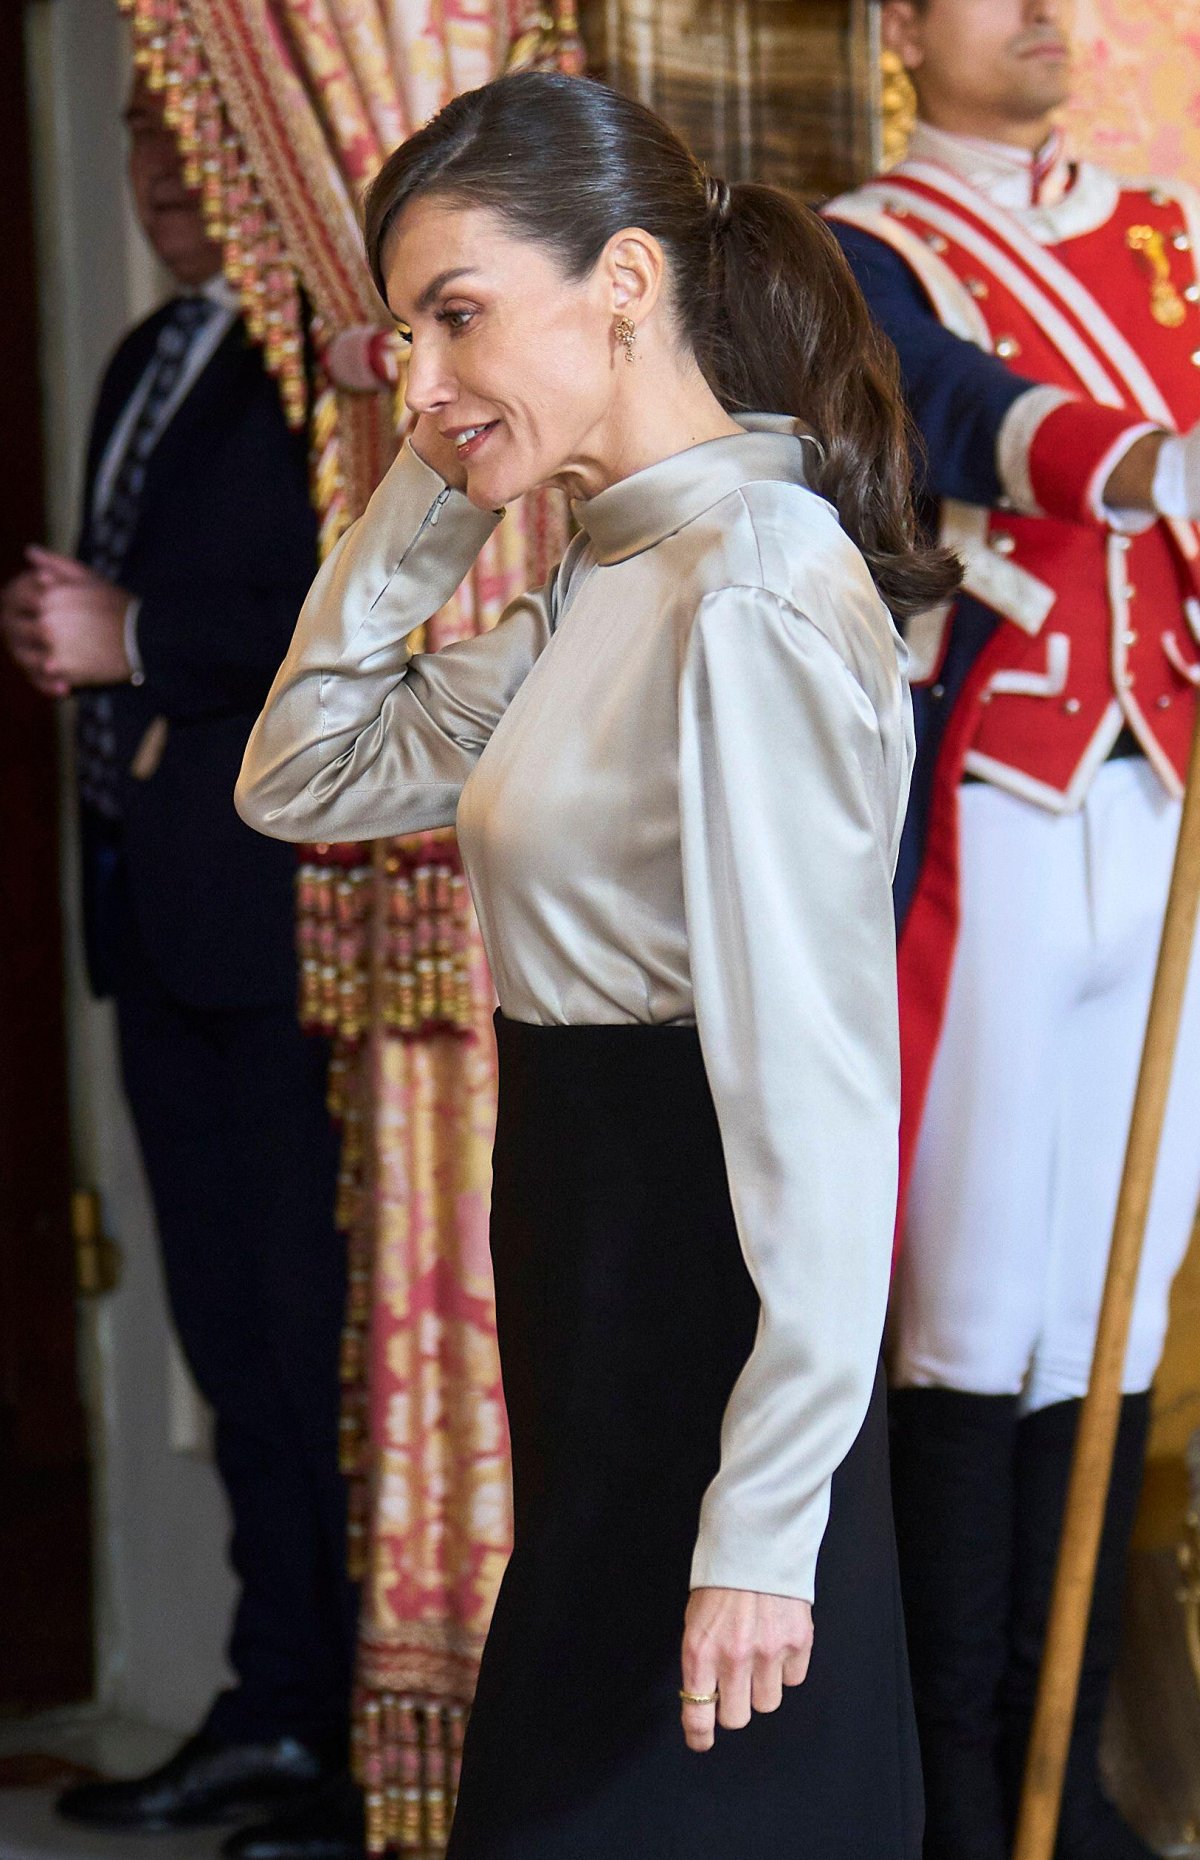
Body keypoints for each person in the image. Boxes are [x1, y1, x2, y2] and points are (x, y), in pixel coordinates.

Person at [236, 67, 960, 1860]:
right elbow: (306, 770)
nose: (420, 376)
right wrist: (443, 463)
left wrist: (767, 1527)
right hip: (597, 1279)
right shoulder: (617, 573)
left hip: (709, 1300)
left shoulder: (754, 586)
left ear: (624, 282)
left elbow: (816, 1088)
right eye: (407, 334)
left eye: (458, 313)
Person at [823, 4, 1200, 1857]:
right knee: (971, 1312)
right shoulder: (856, 246)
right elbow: (944, 410)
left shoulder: (1167, 242)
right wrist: (1135, 468)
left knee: (1105, 1312)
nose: (1048, 16)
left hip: (1166, 802)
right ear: (903, 24)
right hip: (985, 797)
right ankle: (965, 1791)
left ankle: (1068, 1786)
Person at [1, 75, 358, 1853]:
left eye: (179, 135)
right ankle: (272, 1704)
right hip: (157, 920)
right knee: (226, 1341)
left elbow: (348, 607)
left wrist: (133, 636)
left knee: (310, 1344)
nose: (152, 169)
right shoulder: (154, 356)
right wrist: (86, 636)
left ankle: (349, 1727)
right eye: (132, 139)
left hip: (286, 921)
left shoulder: (331, 355)